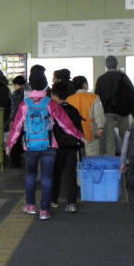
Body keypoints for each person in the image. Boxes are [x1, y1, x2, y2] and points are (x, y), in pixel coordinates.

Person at [6, 71, 84, 220]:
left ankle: (30, 206)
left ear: (30, 85)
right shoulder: (51, 103)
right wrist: (80, 136)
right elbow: (66, 124)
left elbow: (16, 127)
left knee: (30, 176)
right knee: (47, 178)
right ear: (45, 85)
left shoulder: (24, 104)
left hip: (29, 146)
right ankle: (44, 210)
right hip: (49, 146)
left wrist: (10, 145)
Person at [50, 81, 84, 214]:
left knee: (56, 173)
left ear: (55, 95)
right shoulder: (73, 109)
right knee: (71, 174)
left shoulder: (53, 110)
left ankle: (53, 200)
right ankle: (71, 203)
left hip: (57, 146)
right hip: (72, 146)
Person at [95, 55, 134, 155]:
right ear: (116, 64)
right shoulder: (123, 77)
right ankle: (126, 157)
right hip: (123, 110)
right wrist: (132, 109)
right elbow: (132, 93)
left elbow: (96, 97)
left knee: (109, 136)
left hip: (107, 111)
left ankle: (111, 158)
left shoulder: (101, 79)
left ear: (106, 65)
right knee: (124, 135)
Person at [67, 75, 105, 157]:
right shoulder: (93, 97)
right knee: (92, 156)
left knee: (77, 157)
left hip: (75, 132)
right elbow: (98, 114)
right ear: (84, 84)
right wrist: (100, 127)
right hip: (90, 130)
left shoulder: (69, 99)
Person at [9, 75, 27, 168]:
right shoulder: (29, 92)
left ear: (16, 84)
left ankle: (16, 162)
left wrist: (12, 120)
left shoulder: (16, 93)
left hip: (18, 120)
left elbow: (14, 108)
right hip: (28, 120)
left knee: (16, 140)